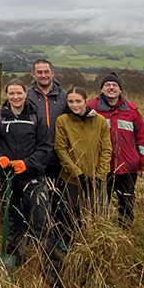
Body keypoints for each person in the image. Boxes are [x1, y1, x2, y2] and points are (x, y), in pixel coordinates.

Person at [0, 80, 62, 288]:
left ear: (25, 94)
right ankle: (12, 263)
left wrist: (28, 164)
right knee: (11, 222)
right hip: (5, 179)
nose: (16, 97)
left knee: (41, 222)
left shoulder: (36, 118)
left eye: (19, 93)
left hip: (32, 178)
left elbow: (45, 147)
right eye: (11, 93)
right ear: (7, 95)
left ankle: (50, 270)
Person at [88, 72, 144, 225]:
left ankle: (126, 233)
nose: (111, 87)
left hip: (128, 167)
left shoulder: (132, 111)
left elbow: (142, 139)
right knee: (100, 204)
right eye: (107, 85)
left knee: (127, 203)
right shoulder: (91, 108)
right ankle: (101, 232)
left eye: (114, 85)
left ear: (120, 90)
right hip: (101, 167)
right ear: (101, 90)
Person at [52, 87, 112, 238]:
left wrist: (99, 175)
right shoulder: (62, 121)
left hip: (96, 178)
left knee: (98, 212)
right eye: (71, 102)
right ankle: (70, 241)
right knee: (72, 213)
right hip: (71, 178)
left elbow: (106, 149)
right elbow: (61, 149)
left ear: (86, 101)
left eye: (78, 101)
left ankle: (96, 241)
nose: (75, 105)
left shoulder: (100, 121)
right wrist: (78, 174)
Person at [25, 59, 66, 234]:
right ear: (33, 75)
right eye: (39, 72)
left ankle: (57, 233)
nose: (43, 75)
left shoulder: (64, 97)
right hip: (34, 155)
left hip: (59, 156)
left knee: (59, 198)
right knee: (34, 196)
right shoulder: (26, 96)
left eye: (46, 72)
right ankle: (34, 232)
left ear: (52, 73)